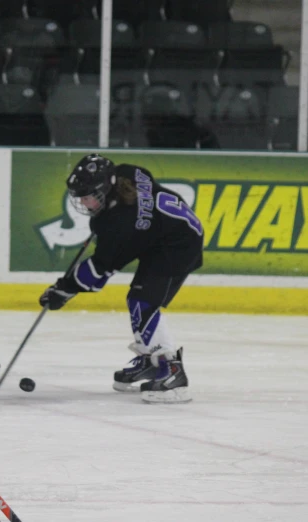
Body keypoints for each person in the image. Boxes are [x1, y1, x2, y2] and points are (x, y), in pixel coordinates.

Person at [38, 154, 204, 404]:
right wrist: (103, 220)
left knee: (143, 302)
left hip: (179, 245)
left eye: (88, 196)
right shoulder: (126, 173)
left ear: (105, 189)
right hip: (164, 234)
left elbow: (98, 272)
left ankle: (172, 371)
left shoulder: (121, 226)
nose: (83, 202)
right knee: (137, 299)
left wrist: (65, 288)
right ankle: (151, 360)